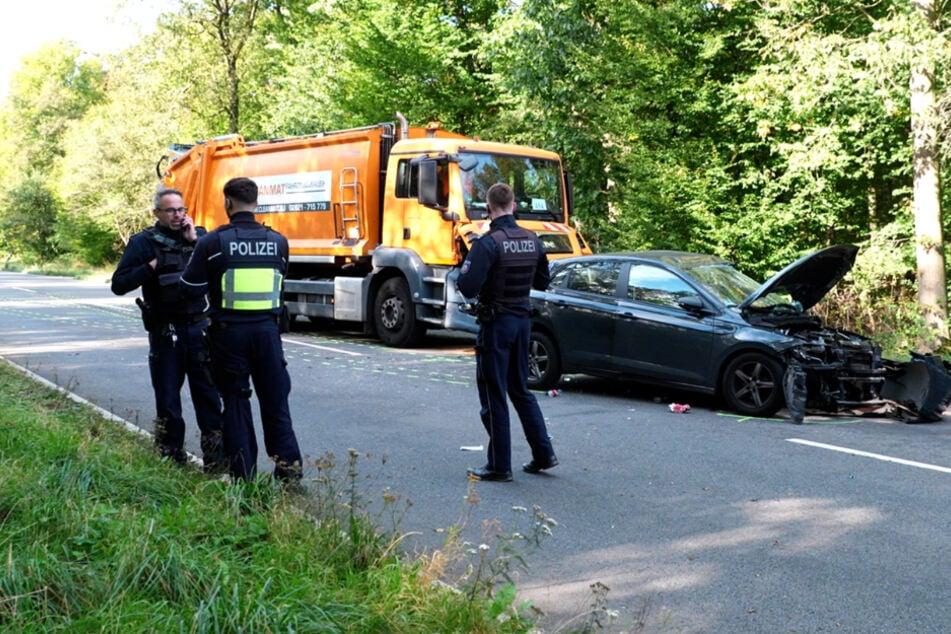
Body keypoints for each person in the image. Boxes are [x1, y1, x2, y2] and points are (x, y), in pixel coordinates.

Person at [180, 177, 303, 483]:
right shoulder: (279, 241)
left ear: (228, 203)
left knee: (236, 402)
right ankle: (288, 472)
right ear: (256, 203)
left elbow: (189, 288)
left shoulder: (213, 242)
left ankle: (243, 475)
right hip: (268, 333)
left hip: (229, 335)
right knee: (276, 402)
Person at [111, 187, 225, 471]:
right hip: (166, 333)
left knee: (209, 399)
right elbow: (119, 284)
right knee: (168, 400)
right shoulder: (143, 243)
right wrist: (149, 267)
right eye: (171, 210)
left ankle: (217, 462)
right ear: (157, 213)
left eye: (182, 210)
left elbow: (220, 272)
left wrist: (196, 243)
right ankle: (170, 458)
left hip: (200, 331)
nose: (178, 215)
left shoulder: (201, 237)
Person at [457, 182, 558, 482]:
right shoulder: (532, 240)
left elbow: (467, 287)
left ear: (489, 208)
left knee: (493, 395)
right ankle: (544, 453)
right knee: (521, 390)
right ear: (513, 206)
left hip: (496, 326)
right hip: (523, 323)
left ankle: (499, 466)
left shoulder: (488, 243)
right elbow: (543, 282)